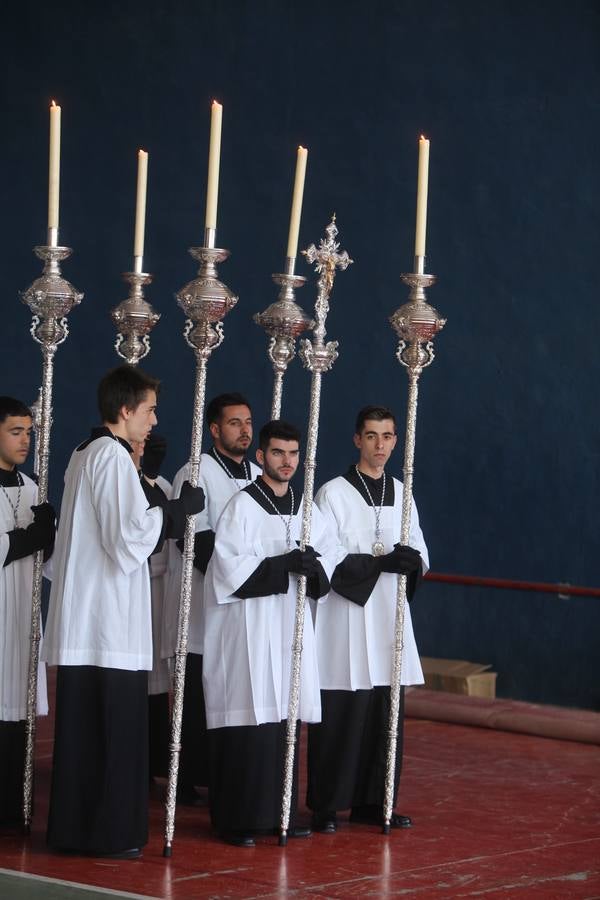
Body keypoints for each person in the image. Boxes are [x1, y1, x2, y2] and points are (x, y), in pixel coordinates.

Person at [43, 365, 204, 858]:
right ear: (125, 409)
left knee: (86, 736)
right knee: (110, 735)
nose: (154, 420)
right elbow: (127, 536)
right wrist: (178, 511)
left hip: (92, 619)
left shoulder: (85, 453)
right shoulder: (110, 457)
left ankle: (78, 829)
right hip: (106, 624)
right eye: (150, 409)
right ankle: (108, 833)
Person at [202, 420, 341, 847]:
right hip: (246, 629)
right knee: (249, 722)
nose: (287, 461)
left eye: (294, 454)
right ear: (261, 456)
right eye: (278, 453)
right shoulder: (242, 507)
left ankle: (279, 814)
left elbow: (329, 555)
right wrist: (285, 564)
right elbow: (227, 568)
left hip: (288, 629)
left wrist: (314, 566)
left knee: (282, 720)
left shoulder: (305, 507)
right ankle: (237, 819)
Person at [307, 405, 429, 833]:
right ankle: (327, 804)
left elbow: (419, 550)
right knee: (343, 713)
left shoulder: (402, 490)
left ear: (397, 441)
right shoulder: (333, 493)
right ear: (358, 439)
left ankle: (376, 803)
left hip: (386, 621)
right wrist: (379, 564)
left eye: (388, 436)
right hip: (346, 621)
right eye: (372, 436)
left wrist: (408, 560)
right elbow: (327, 557)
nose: (381, 445)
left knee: (383, 715)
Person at [162, 392, 260, 804]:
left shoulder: (258, 474)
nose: (245, 430)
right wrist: (241, 576)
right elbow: (194, 541)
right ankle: (185, 777)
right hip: (201, 605)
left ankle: (220, 773)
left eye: (248, 422)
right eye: (235, 423)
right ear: (215, 430)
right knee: (195, 697)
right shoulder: (196, 472)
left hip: (244, 609)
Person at [0, 397, 55, 827]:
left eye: (29, 432)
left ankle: (14, 807)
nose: (25, 440)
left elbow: (46, 560)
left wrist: (48, 534)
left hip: (22, 612)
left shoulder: (33, 488)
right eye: (15, 431)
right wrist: (33, 536)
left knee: (19, 707)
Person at [130, 434, 172, 782]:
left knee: (156, 678)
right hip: (128, 584)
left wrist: (152, 478)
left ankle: (156, 760)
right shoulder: (117, 477)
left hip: (155, 585)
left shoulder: (165, 483)